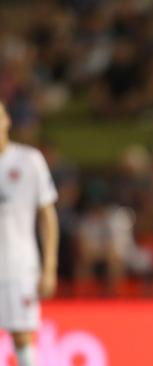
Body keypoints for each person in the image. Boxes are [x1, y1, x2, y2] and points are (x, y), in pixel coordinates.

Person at [0, 101, 59, 366]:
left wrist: (49, 266)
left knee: (23, 338)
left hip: (19, 267)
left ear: (7, 120)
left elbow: (47, 215)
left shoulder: (29, 160)